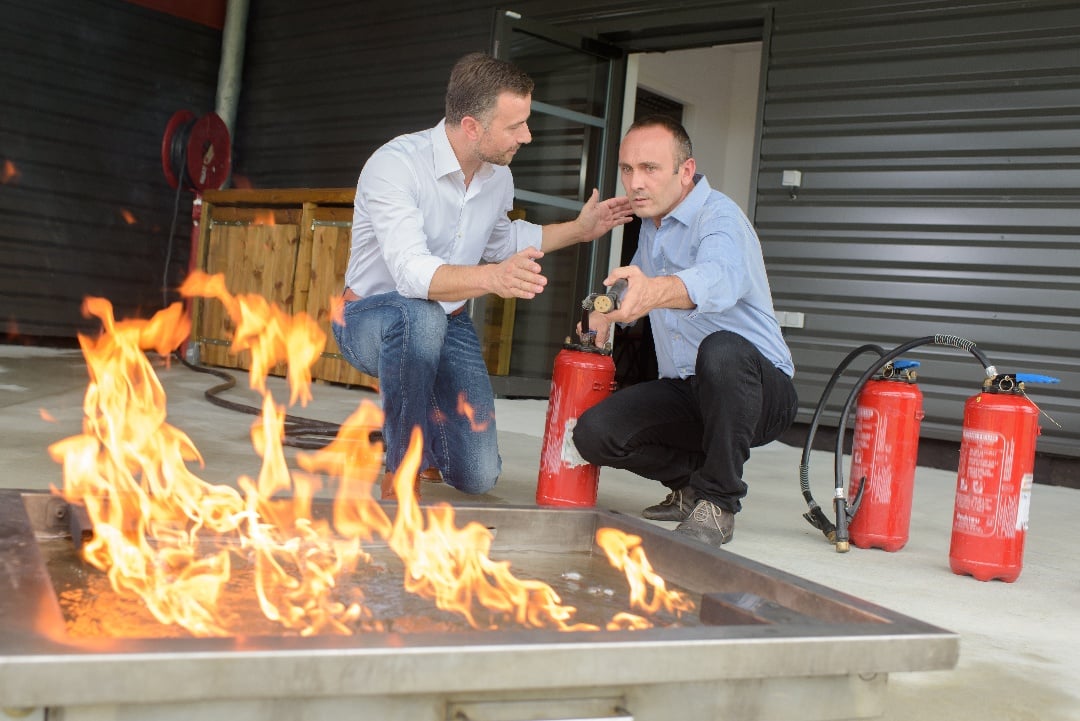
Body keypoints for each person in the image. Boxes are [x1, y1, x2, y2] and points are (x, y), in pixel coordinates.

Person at [334, 52, 633, 500]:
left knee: (478, 475)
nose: (527, 136)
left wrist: (579, 229)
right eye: (515, 126)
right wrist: (493, 279)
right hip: (369, 320)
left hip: (446, 323)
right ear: (472, 125)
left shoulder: (498, 178)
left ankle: (431, 441)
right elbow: (413, 275)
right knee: (421, 317)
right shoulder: (395, 165)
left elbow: (501, 241)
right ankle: (401, 469)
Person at [571, 115, 798, 549]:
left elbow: (720, 278)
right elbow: (628, 289)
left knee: (723, 349)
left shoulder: (720, 218)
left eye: (650, 169)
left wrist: (655, 291)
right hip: (690, 390)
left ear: (686, 171)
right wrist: (602, 310)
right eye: (627, 169)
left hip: (758, 390)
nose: (635, 182)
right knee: (595, 434)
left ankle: (718, 502)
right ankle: (690, 486)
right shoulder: (654, 227)